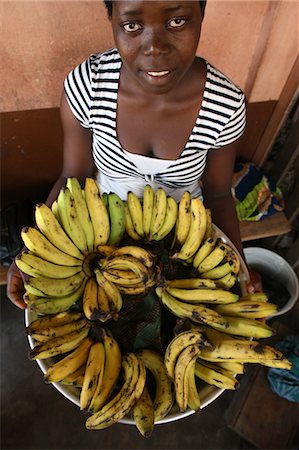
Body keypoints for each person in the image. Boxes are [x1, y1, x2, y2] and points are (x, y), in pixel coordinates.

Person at [7, 0, 261, 309]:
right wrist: (35, 252)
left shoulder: (225, 106)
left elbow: (219, 194)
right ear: (111, 20)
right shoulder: (88, 86)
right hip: (99, 232)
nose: (154, 47)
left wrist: (240, 269)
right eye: (132, 26)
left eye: (177, 22)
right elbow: (72, 177)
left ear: (202, 14)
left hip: (182, 239)